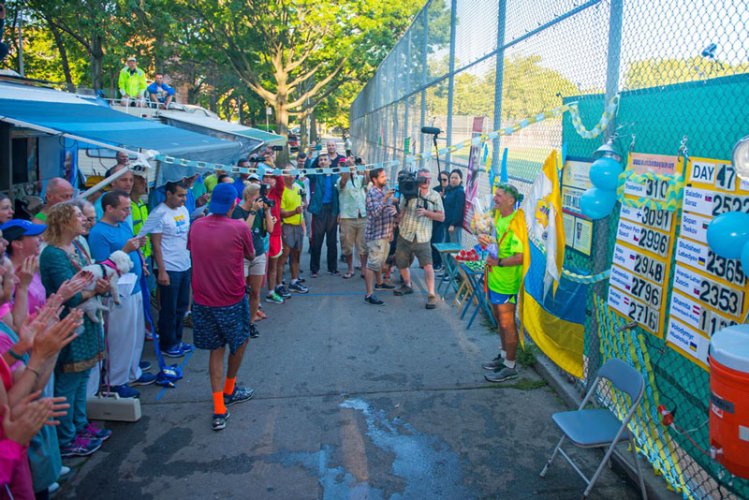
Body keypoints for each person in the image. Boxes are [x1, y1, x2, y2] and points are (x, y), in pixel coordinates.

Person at [39, 203, 110, 457]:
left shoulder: (79, 244)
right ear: (63, 221)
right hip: (69, 323)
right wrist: (95, 290)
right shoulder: (53, 255)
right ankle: (67, 439)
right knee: (68, 382)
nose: (84, 219)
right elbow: (68, 294)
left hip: (87, 320)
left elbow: (89, 276)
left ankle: (81, 427)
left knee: (82, 378)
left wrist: (98, 285)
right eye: (78, 215)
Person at [188, 183, 256, 431]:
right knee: (240, 341)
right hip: (231, 298)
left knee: (215, 351)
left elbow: (192, 251)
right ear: (233, 204)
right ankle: (230, 388)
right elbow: (251, 255)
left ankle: (219, 407)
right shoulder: (239, 227)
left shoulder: (196, 226)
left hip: (203, 299)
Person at [88, 191, 155, 398]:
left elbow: (131, 249)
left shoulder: (123, 225)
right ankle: (116, 381)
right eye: (124, 209)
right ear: (109, 208)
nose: (128, 212)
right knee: (120, 337)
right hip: (117, 291)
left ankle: (132, 371)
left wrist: (140, 259)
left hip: (134, 286)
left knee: (134, 335)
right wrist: (126, 249)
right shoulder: (98, 233)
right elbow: (103, 266)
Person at [139, 182, 193, 358]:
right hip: (169, 267)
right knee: (169, 308)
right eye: (179, 195)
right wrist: (161, 270)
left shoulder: (183, 210)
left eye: (184, 195)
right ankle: (167, 343)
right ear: (168, 194)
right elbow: (156, 245)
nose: (183, 199)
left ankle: (177, 340)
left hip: (184, 264)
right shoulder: (159, 213)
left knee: (181, 306)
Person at [480, 184, 524, 383]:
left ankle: (510, 366)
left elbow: (520, 256)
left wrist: (498, 262)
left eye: (499, 195)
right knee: (499, 319)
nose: (494, 198)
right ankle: (504, 355)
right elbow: (494, 242)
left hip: (506, 282)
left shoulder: (516, 223)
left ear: (510, 200)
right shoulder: (497, 216)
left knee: (507, 323)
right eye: (495, 194)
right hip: (494, 277)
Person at [393, 168, 444, 310]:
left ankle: (431, 295)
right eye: (423, 178)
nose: (426, 181)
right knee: (401, 262)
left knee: (428, 265)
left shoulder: (434, 196)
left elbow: (441, 217)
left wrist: (427, 213)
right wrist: (395, 216)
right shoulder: (408, 192)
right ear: (417, 179)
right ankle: (407, 285)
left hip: (423, 236)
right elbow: (401, 213)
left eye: (429, 179)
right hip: (406, 234)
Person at [231, 184, 274, 334]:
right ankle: (238, 321)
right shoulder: (237, 211)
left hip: (259, 254)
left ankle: (250, 322)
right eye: (257, 197)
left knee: (255, 292)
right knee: (240, 292)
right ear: (248, 197)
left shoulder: (261, 210)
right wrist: (254, 211)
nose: (259, 201)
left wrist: (267, 212)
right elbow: (244, 230)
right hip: (242, 256)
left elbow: (270, 230)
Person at [363, 168, 397, 305]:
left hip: (385, 234)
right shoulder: (372, 194)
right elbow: (375, 214)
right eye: (382, 177)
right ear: (374, 179)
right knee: (372, 264)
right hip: (375, 235)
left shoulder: (383, 191)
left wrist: (394, 210)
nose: (386, 178)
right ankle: (369, 294)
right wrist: (385, 199)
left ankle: (380, 283)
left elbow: (387, 211)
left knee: (380, 262)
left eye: (385, 176)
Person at [307, 154, 340, 276]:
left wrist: (338, 212)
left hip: (332, 209)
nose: (323, 161)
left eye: (325, 159)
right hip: (319, 210)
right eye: (320, 160)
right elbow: (307, 171)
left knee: (331, 241)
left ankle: (333, 268)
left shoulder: (336, 176)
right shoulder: (316, 174)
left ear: (330, 162)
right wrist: (312, 158)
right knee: (317, 240)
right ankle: (314, 269)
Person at [278, 167, 309, 294]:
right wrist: (294, 211)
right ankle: (278, 284)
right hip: (287, 226)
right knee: (284, 256)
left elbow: (303, 204)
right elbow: (282, 213)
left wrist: (303, 204)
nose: (291, 176)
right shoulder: (281, 191)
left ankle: (294, 281)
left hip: (298, 226)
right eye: (288, 174)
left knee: (296, 255)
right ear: (283, 175)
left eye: (293, 174)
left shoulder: (297, 189)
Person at [337, 157, 368, 279]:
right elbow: (343, 182)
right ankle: (350, 268)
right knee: (347, 245)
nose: (351, 167)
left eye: (352, 165)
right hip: (347, 217)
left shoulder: (359, 178)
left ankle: (364, 268)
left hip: (362, 216)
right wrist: (347, 168)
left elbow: (368, 181)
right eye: (348, 165)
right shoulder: (340, 179)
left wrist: (364, 167)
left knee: (363, 245)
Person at [262, 168, 286, 304]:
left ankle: (271, 292)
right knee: (257, 267)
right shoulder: (258, 194)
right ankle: (254, 296)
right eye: (265, 177)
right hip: (261, 235)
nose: (268, 179)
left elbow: (281, 182)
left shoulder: (276, 193)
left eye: (271, 177)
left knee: (273, 265)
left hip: (275, 234)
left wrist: (272, 167)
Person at [430, 172, 449, 271]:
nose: (442, 182)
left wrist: (443, 198)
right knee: (432, 241)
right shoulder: (435, 190)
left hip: (445, 221)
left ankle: (439, 263)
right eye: (440, 180)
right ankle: (433, 261)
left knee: (439, 240)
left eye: (445, 180)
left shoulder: (450, 191)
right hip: (435, 219)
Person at [443, 169, 466, 245]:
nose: (453, 180)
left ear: (461, 179)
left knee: (454, 248)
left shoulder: (460, 192)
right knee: (445, 247)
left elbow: (458, 209)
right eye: (452, 177)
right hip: (446, 222)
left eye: (456, 178)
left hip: (454, 225)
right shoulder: (448, 190)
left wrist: (453, 224)